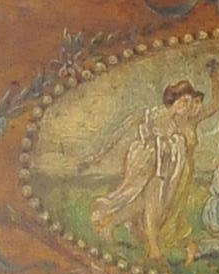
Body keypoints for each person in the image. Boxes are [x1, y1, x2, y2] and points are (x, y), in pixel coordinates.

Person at [88, 79, 209, 257]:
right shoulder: (152, 115)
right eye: (184, 101)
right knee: (149, 203)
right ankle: (154, 249)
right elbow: (123, 128)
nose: (187, 106)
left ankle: (110, 224)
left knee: (144, 203)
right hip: (144, 163)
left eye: (190, 103)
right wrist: (99, 154)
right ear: (172, 100)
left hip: (163, 167)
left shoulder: (178, 124)